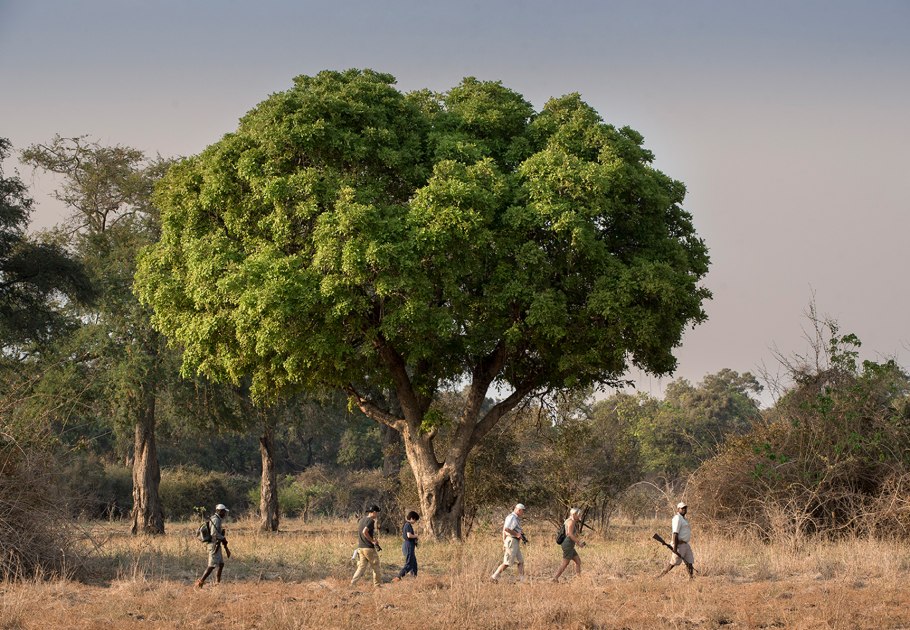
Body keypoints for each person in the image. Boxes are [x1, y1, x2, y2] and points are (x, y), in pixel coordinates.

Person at [195, 504, 230, 588]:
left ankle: (217, 583)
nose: (225, 514)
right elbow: (213, 533)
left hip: (216, 544)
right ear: (220, 511)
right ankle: (200, 582)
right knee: (211, 565)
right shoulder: (216, 520)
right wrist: (223, 538)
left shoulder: (217, 519)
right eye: (224, 512)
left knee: (221, 564)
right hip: (213, 545)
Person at [490, 503, 527, 582]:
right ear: (519, 510)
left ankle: (522, 579)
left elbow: (504, 530)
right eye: (522, 511)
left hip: (514, 541)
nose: (523, 513)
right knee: (507, 562)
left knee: (520, 561)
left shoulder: (515, 518)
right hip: (512, 541)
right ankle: (494, 576)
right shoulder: (512, 517)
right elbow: (506, 529)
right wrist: (516, 534)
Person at [659, 502, 695, 579]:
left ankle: (691, 579)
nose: (684, 509)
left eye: (685, 508)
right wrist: (675, 547)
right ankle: (660, 576)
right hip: (679, 545)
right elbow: (675, 533)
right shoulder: (677, 518)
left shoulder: (684, 519)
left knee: (689, 561)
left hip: (686, 544)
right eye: (682, 508)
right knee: (673, 563)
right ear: (678, 509)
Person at [351, 504, 382, 587]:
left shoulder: (361, 520)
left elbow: (364, 532)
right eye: (377, 513)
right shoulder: (371, 521)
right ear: (374, 512)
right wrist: (373, 541)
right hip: (368, 548)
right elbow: (365, 532)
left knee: (361, 567)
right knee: (376, 567)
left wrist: (372, 539)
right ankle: (377, 585)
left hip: (360, 547)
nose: (377, 515)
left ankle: (353, 583)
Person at [552, 507, 585, 582]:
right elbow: (569, 534)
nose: (579, 516)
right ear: (574, 514)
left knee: (578, 561)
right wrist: (578, 542)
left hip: (569, 544)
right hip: (568, 544)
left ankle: (579, 579)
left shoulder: (568, 520)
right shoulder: (571, 522)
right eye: (578, 514)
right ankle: (555, 578)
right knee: (565, 563)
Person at [393, 511, 420, 581]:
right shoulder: (407, 525)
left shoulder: (407, 525)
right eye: (415, 520)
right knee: (409, 564)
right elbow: (409, 535)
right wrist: (416, 536)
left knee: (414, 564)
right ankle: (398, 577)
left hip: (409, 545)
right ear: (411, 518)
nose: (415, 521)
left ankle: (414, 579)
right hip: (408, 545)